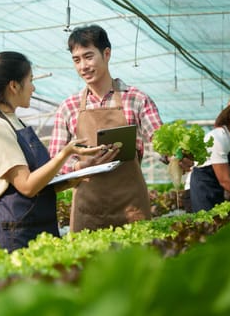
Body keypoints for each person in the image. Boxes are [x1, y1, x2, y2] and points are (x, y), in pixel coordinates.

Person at [0, 51, 110, 253]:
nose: (33, 88)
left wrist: (77, 175)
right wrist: (65, 153)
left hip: (36, 227)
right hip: (16, 235)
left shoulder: (15, 122)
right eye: (30, 80)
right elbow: (26, 186)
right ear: (14, 86)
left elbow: (40, 182)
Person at [49, 24, 164, 232]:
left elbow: (159, 139)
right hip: (87, 210)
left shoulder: (136, 99)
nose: (83, 66)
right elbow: (55, 162)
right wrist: (80, 166)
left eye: (88, 56)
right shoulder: (69, 107)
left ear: (107, 54)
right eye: (77, 60)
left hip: (131, 208)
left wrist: (174, 156)